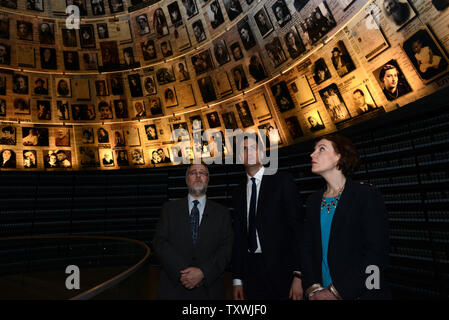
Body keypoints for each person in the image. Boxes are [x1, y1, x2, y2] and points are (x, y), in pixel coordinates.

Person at [302, 135, 390, 300]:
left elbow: (377, 255)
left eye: (321, 149)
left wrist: (336, 292)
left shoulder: (366, 195)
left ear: (339, 157)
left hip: (361, 294)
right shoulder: (313, 201)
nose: (312, 155)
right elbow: (307, 250)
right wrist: (313, 290)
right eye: (314, 150)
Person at [232, 135, 303, 300]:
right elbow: (239, 238)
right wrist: (237, 279)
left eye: (253, 148)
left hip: (283, 270)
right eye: (243, 149)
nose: (248, 152)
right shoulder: (238, 192)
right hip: (251, 272)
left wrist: (299, 274)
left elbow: (298, 230)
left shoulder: (282, 181)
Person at [153, 163, 233, 299]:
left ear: (208, 179)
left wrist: (203, 273)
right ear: (186, 179)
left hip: (210, 290)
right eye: (193, 172)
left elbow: (227, 248)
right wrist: (185, 274)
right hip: (173, 289)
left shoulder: (222, 213)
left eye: (202, 173)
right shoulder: (169, 209)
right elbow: (160, 243)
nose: (198, 176)